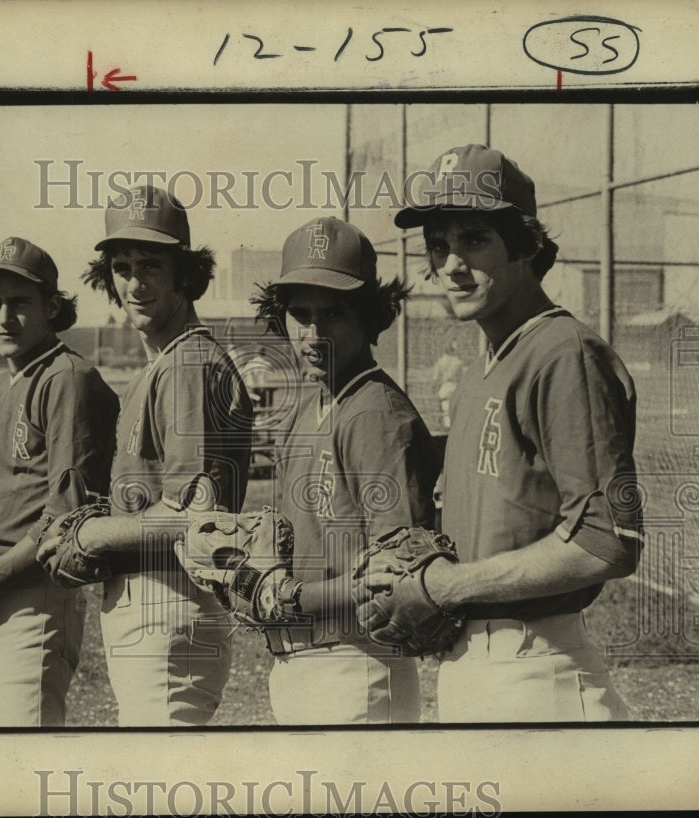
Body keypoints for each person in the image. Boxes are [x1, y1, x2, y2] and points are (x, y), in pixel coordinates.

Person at [391, 143, 643, 721]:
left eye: (473, 239)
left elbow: (607, 543)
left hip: (538, 668)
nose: (451, 264)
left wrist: (447, 588)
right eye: (438, 245)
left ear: (526, 245)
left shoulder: (562, 353)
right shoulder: (488, 363)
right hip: (477, 666)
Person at [42, 185, 253, 726]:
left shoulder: (187, 365)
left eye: (150, 265)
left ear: (184, 272)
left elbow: (196, 521)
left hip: (171, 602)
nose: (133, 284)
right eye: (121, 266)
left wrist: (91, 535)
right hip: (153, 603)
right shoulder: (164, 364)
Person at [247, 216, 439, 724]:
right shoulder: (307, 406)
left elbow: (399, 578)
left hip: (359, 665)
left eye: (333, 313)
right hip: (301, 661)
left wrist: (290, 596)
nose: (313, 333)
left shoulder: (376, 414)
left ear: (369, 316)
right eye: (299, 313)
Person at [0, 236, 118, 727]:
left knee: (23, 761)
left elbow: (66, 527)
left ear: (52, 306)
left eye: (19, 302)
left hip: (33, 597)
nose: (2, 317)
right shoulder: (2, 386)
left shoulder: (68, 380)